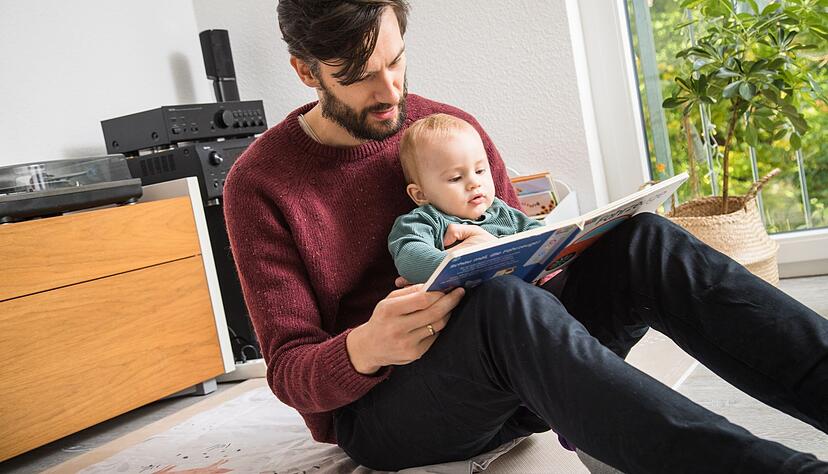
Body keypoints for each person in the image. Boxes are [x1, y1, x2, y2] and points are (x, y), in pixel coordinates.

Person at [222, 1, 828, 472]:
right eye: (357, 76)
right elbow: (289, 370)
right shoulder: (259, 184)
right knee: (502, 305)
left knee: (645, 241)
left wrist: (562, 247)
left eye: (396, 60)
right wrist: (369, 346)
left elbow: (533, 259)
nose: (390, 92)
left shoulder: (446, 131)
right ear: (305, 71)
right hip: (388, 410)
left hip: (523, 372)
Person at [388, 113, 543, 284]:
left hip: (526, 293)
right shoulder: (425, 221)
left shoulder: (502, 212)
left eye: (480, 171)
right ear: (421, 194)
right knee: (505, 286)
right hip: (477, 301)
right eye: (455, 178)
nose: (474, 183)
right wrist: (466, 264)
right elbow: (410, 257)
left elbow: (541, 238)